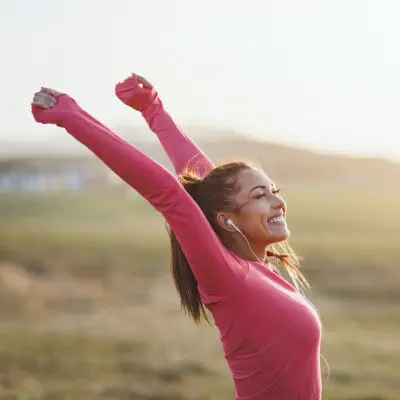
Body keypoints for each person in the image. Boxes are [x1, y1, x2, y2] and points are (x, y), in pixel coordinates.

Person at [31, 74, 323, 399]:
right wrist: (73, 118)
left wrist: (153, 109)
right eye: (261, 195)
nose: (278, 202)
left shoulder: (254, 269)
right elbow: (169, 192)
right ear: (227, 221)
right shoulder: (230, 279)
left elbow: (206, 188)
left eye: (275, 191)